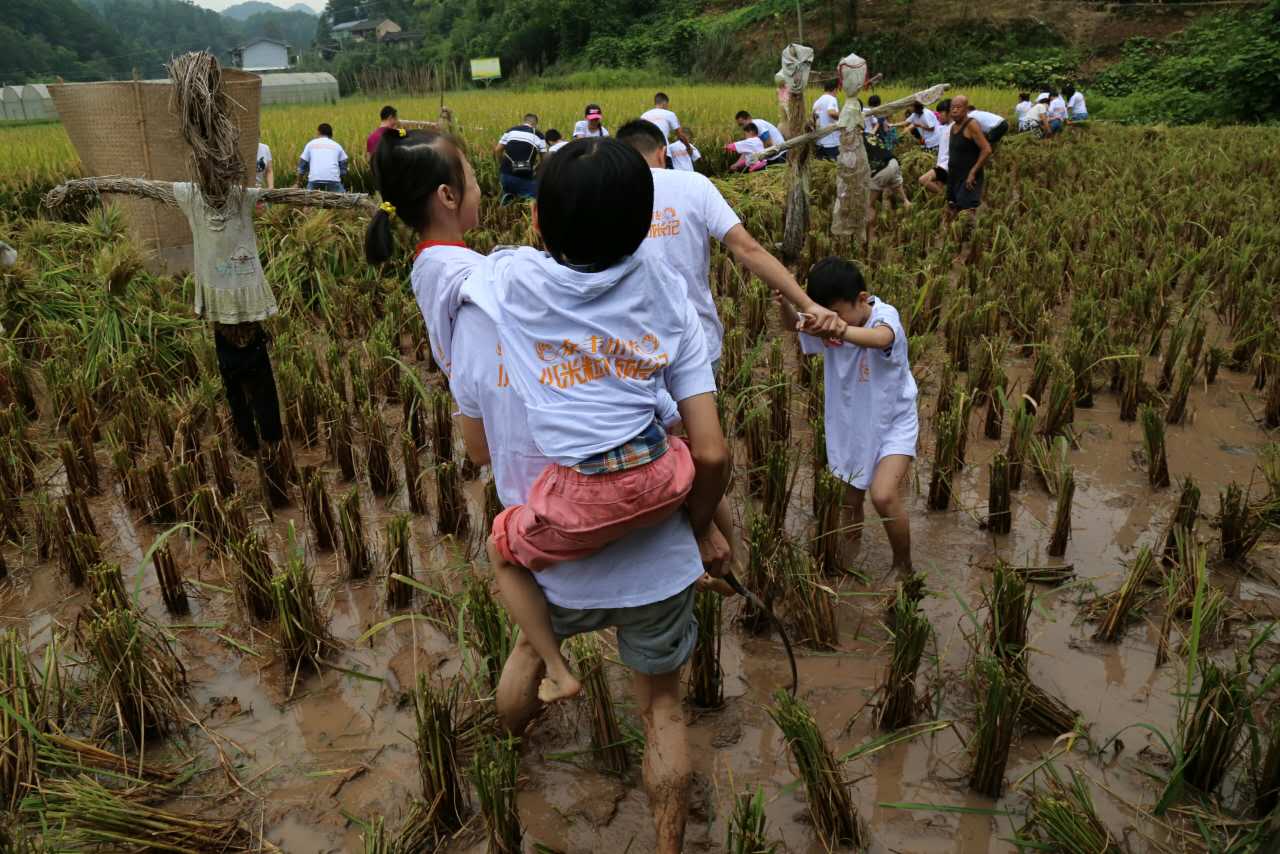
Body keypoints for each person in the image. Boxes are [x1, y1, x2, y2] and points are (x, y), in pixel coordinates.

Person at [457, 138, 727, 706]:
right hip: (657, 485)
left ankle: (556, 668)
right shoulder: (666, 291)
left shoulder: (511, 281)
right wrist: (700, 527)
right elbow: (711, 454)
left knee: (503, 550)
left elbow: (453, 275)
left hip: (577, 501)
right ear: (644, 225)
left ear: (536, 220)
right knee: (664, 711)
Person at [617, 119, 840, 373]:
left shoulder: (605, 194)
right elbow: (748, 249)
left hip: (631, 349)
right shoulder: (694, 185)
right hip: (696, 343)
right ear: (662, 152)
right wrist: (807, 304)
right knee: (701, 414)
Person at [780, 257, 917, 574]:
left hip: (894, 421)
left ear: (861, 298)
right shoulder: (829, 321)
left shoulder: (884, 315)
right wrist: (787, 304)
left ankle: (903, 566)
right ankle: (848, 559)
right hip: (851, 424)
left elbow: (882, 338)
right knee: (849, 500)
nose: (832, 321)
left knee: (883, 495)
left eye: (839, 314)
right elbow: (792, 325)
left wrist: (838, 328)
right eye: (826, 314)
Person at [944, 96, 992, 224]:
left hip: (968, 177)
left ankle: (971, 237)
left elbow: (986, 149)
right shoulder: (953, 127)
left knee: (967, 211)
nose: (954, 110)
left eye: (958, 107)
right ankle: (955, 238)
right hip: (954, 176)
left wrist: (973, 172)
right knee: (953, 206)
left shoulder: (971, 125)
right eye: (952, 108)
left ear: (966, 109)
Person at [865, 133, 909, 246]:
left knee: (868, 205)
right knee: (903, 200)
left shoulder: (853, 141)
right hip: (893, 163)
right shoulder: (869, 134)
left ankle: (872, 239)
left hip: (880, 170)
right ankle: (907, 228)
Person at [494, 113, 547, 201]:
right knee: (535, 198)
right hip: (524, 175)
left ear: (524, 121)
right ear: (535, 124)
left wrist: (501, 164)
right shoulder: (539, 135)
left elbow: (497, 150)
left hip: (505, 175)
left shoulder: (511, 130)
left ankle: (508, 198)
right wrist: (536, 170)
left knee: (509, 193)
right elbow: (545, 160)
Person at [298, 123, 349, 192]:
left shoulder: (311, 144)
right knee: (343, 198)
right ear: (331, 134)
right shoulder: (337, 145)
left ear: (318, 132)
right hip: (333, 180)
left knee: (309, 199)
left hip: (314, 179)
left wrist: (298, 182)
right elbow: (344, 161)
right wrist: (341, 175)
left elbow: (302, 163)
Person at [917, 100, 953, 195]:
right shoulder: (943, 127)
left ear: (949, 112)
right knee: (938, 187)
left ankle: (947, 198)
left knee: (923, 180)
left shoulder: (954, 128)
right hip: (941, 164)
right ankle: (945, 202)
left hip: (947, 166)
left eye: (941, 112)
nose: (939, 115)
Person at [812, 78, 841, 161]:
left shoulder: (816, 102)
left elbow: (814, 119)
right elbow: (831, 113)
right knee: (834, 168)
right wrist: (844, 117)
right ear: (835, 89)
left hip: (819, 142)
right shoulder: (831, 99)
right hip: (831, 142)